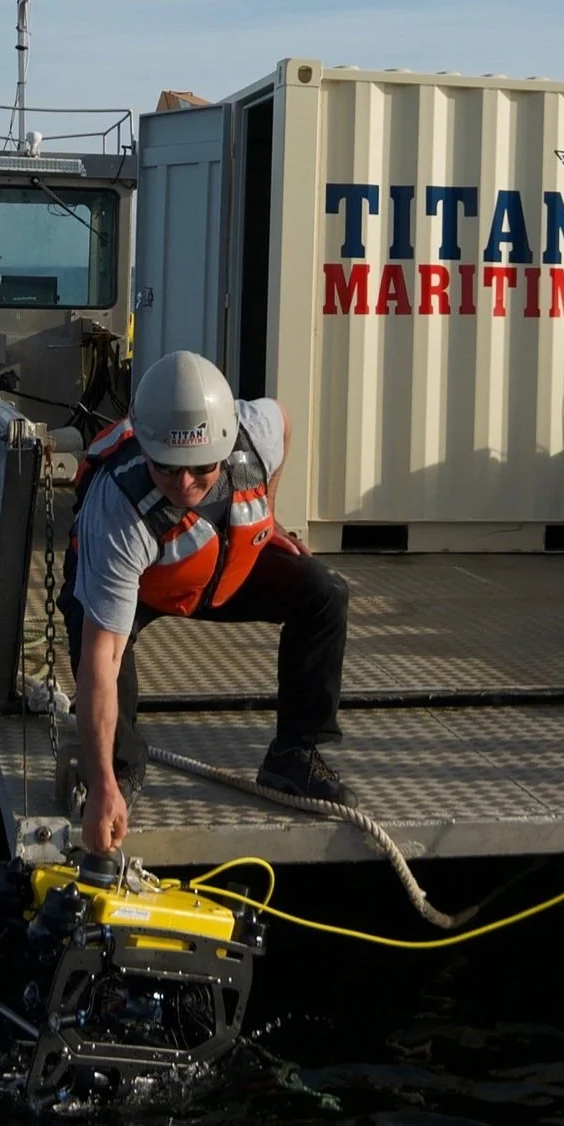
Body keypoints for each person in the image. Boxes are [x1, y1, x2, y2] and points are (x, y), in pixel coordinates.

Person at [63, 350, 354, 854]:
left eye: (201, 469)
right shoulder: (120, 508)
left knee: (323, 593)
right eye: (167, 469)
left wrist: (272, 520)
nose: (185, 485)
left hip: (220, 569)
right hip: (147, 580)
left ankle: (292, 755)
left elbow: (281, 420)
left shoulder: (251, 435)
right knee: (100, 642)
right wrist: (102, 785)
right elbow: (100, 661)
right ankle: (120, 769)